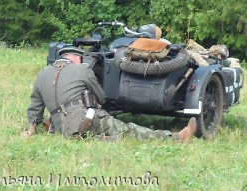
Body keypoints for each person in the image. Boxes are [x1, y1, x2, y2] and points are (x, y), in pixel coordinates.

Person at [22, 47, 197, 142]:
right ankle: (176, 138)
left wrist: (31, 129)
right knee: (129, 130)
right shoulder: (81, 70)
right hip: (83, 121)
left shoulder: (42, 74)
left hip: (60, 128)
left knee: (100, 135)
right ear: (76, 58)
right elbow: (101, 97)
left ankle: (100, 138)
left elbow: (35, 108)